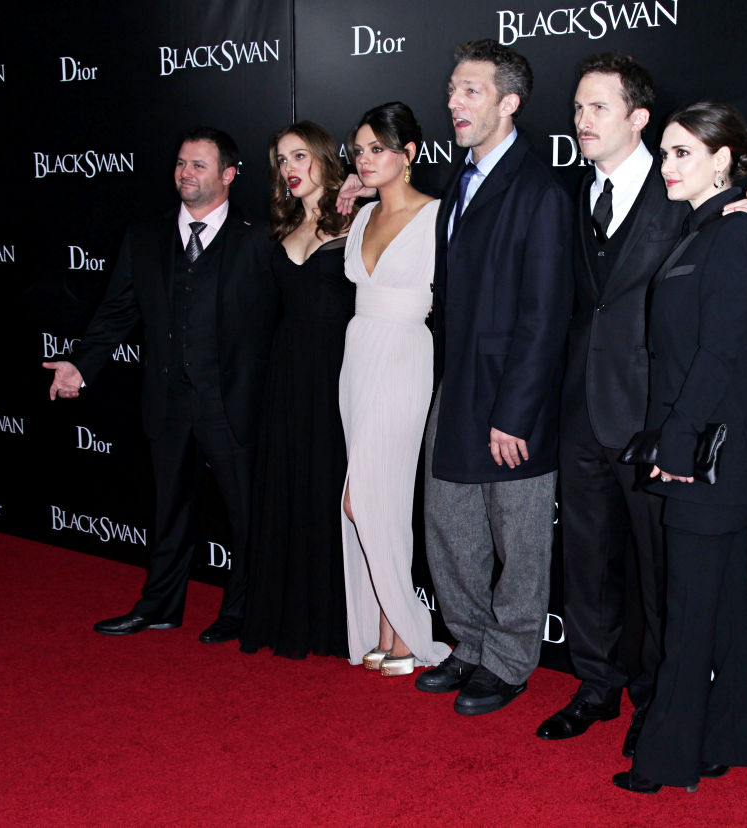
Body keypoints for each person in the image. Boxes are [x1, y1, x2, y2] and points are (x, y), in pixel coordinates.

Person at [538, 54, 747, 749]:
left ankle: (656, 699)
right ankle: (596, 686)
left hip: (655, 415)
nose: (582, 120)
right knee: (586, 561)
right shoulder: (568, 194)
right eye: (578, 108)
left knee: (661, 571)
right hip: (579, 410)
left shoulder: (683, 190)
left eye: (598, 108)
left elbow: (735, 265)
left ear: (637, 118)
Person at [44, 126, 277, 643]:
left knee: (245, 514)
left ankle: (240, 610)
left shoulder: (258, 239)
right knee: (170, 507)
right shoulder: (144, 237)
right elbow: (117, 312)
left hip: (233, 402)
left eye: (198, 165)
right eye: (180, 164)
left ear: (229, 175)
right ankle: (161, 605)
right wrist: (81, 366)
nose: (185, 174)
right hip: (168, 401)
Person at [612, 101, 747, 794]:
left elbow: (722, 356)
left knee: (689, 614)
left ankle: (666, 760)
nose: (670, 165)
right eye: (667, 152)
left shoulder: (732, 232)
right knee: (727, 608)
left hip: (711, 455)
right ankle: (733, 738)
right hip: (711, 447)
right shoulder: (710, 228)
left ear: (724, 159)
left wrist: (676, 446)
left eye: (685, 153)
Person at [413, 40, 574, 714]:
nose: (454, 102)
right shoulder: (461, 179)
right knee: (450, 529)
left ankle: (509, 661)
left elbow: (546, 314)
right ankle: (471, 644)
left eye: (470, 91)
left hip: (514, 396)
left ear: (508, 103)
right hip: (458, 386)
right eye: (452, 89)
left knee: (521, 542)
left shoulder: (537, 188)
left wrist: (517, 410)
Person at [339, 102, 451, 676]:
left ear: (408, 154)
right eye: (358, 149)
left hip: (405, 356)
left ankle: (408, 629)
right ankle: (389, 629)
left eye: (377, 148)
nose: (364, 158)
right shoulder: (361, 218)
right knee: (371, 500)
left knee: (368, 500)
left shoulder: (437, 216)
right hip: (359, 358)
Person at [239, 122, 356, 659]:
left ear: (327, 159)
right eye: (282, 159)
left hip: (338, 379)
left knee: (328, 491)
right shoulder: (279, 230)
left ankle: (330, 622)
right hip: (285, 381)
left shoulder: (360, 221)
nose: (290, 168)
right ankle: (282, 617)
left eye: (301, 155)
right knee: (286, 490)